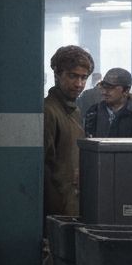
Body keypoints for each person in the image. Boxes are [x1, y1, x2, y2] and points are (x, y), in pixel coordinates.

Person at [44, 45, 90, 218]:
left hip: (72, 204)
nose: (79, 84)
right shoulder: (49, 111)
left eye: (83, 78)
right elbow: (44, 169)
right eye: (72, 76)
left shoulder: (74, 111)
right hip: (57, 209)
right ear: (57, 75)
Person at [83, 67, 132, 138]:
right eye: (104, 87)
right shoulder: (93, 112)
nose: (104, 92)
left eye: (110, 87)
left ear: (126, 91)